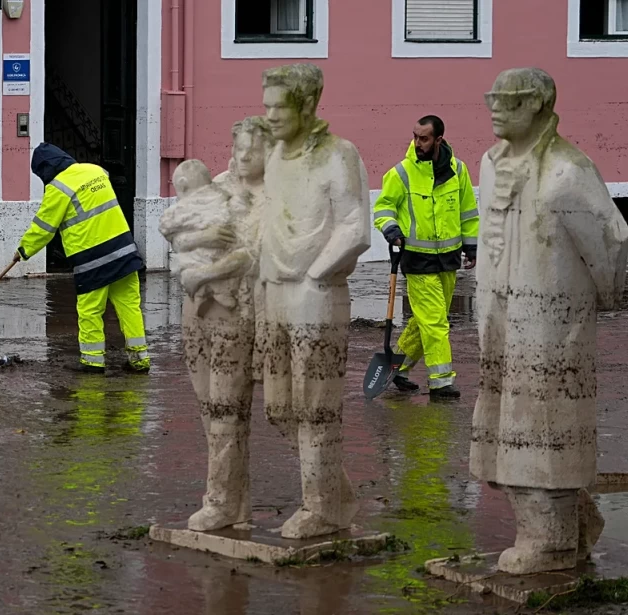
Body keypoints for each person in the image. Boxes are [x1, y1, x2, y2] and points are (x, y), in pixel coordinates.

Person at [471, 67, 628, 574]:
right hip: (500, 313)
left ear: (537, 104)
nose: (495, 107)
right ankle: (574, 523)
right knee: (503, 426)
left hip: (550, 321)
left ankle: (553, 540)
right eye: (492, 97)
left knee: (542, 427)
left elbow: (612, 243)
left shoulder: (566, 171)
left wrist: (599, 299)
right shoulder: (491, 165)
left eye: (508, 99)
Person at [260, 64, 370, 538]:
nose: (268, 116)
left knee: (316, 406)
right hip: (275, 290)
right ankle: (336, 495)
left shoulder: (338, 155)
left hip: (315, 294)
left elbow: (354, 226)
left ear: (305, 105)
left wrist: (316, 273)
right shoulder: (274, 156)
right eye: (265, 106)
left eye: (277, 106)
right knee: (278, 405)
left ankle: (321, 507)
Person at [159, 116, 271, 532]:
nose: (241, 156)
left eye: (251, 149)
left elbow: (256, 255)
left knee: (226, 409)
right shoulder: (218, 186)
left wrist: (204, 271)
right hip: (197, 309)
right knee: (209, 409)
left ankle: (221, 501)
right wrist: (194, 244)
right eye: (237, 147)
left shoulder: (271, 199)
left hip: (237, 311)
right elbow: (177, 230)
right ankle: (235, 502)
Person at [15, 143, 149, 374]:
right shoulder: (96, 171)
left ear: (45, 169)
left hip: (93, 260)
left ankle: (92, 361)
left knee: (90, 311)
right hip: (124, 252)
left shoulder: (59, 188)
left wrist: (23, 250)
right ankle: (139, 360)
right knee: (130, 308)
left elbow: (44, 228)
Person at [373, 115, 479, 399]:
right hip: (417, 260)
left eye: (424, 138)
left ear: (439, 140)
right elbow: (383, 208)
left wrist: (472, 246)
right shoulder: (402, 172)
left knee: (426, 320)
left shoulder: (458, 170)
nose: (417, 143)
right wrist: (391, 229)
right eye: (415, 136)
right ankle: (441, 381)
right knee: (435, 322)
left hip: (448, 259)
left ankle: (397, 367)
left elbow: (468, 211)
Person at [161, 159, 251, 309]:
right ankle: (211, 291)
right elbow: (177, 241)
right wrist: (203, 237)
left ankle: (212, 290)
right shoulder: (220, 188)